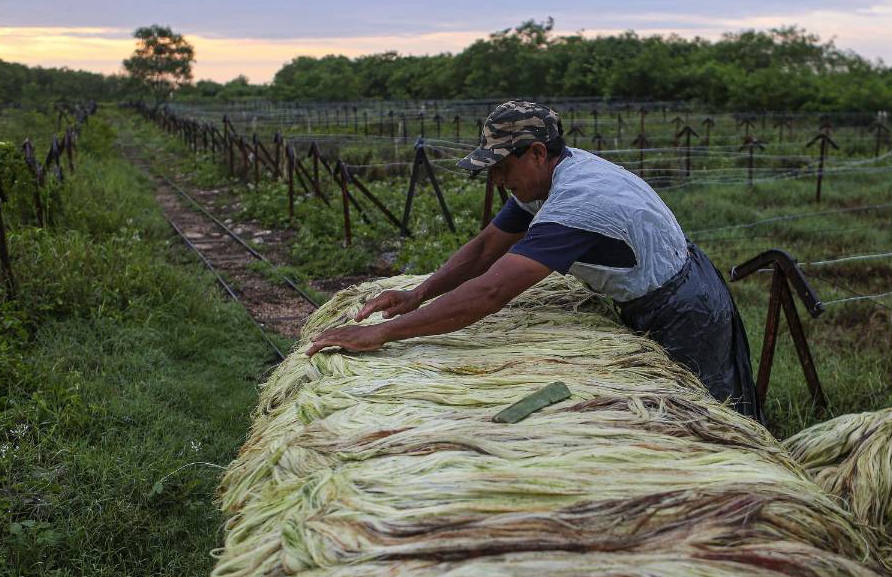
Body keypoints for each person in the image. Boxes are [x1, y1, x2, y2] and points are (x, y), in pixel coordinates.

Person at [305, 100, 762, 421]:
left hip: (683, 307)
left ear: (537, 153)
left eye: (503, 168)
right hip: (660, 289)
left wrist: (381, 333)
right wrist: (418, 294)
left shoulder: (577, 202)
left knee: (699, 414)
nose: (499, 180)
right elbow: (488, 247)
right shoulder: (546, 179)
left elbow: (492, 290)